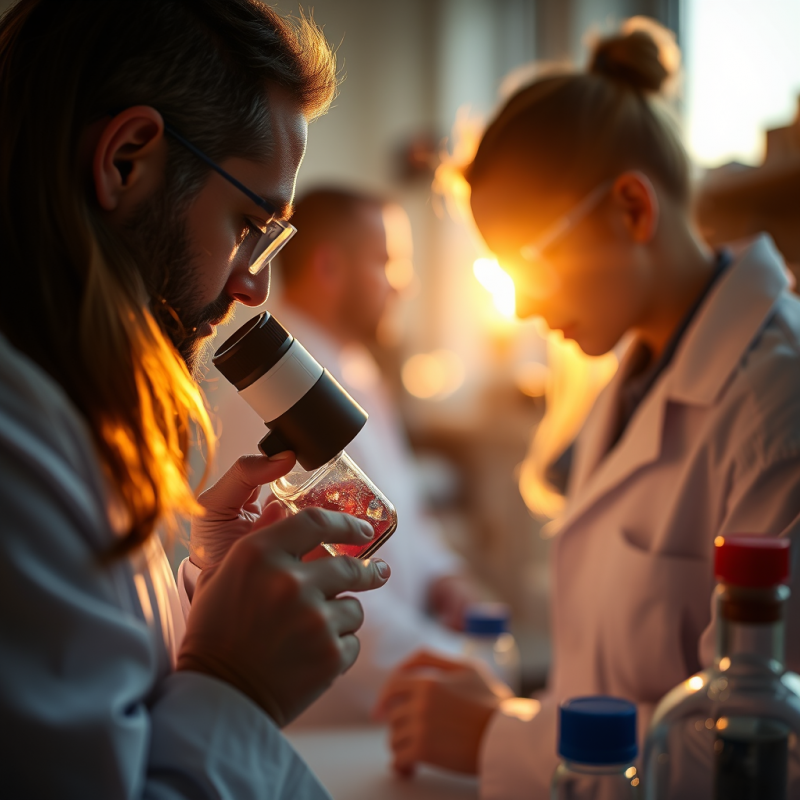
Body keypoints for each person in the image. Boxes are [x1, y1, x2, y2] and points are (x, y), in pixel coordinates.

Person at [376, 18, 800, 798]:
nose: (526, 307)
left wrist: (499, 739)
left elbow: (771, 752)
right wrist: (514, 721)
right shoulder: (629, 378)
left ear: (633, 209)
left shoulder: (779, 406)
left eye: (527, 267)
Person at [0, 2, 392, 797]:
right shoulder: (15, 446)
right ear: (125, 161)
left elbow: (111, 710)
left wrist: (211, 601)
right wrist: (232, 684)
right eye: (249, 224)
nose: (253, 286)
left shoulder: (67, 405)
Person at [203, 187, 483, 725]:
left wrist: (447, 576)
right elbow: (311, 573)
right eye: (387, 262)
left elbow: (400, 505)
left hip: (400, 662)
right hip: (336, 709)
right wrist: (455, 663)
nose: (405, 283)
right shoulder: (269, 383)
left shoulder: (356, 365)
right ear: (329, 266)